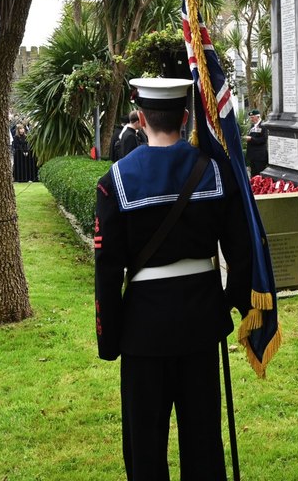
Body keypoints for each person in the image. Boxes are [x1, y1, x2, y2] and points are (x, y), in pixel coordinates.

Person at [94, 78, 253, 481]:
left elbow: (108, 272)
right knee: (203, 443)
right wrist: (230, 303)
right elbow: (242, 249)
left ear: (141, 118)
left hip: (143, 330)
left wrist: (110, 339)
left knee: (145, 447)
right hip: (201, 324)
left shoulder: (116, 180)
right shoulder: (216, 172)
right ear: (185, 118)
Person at [244, 109, 268, 176]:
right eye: (250, 117)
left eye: (252, 117)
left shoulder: (263, 126)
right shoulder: (252, 126)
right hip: (252, 156)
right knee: (253, 175)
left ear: (257, 117)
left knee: (260, 175)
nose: (251, 119)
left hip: (259, 156)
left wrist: (251, 139)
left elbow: (263, 139)